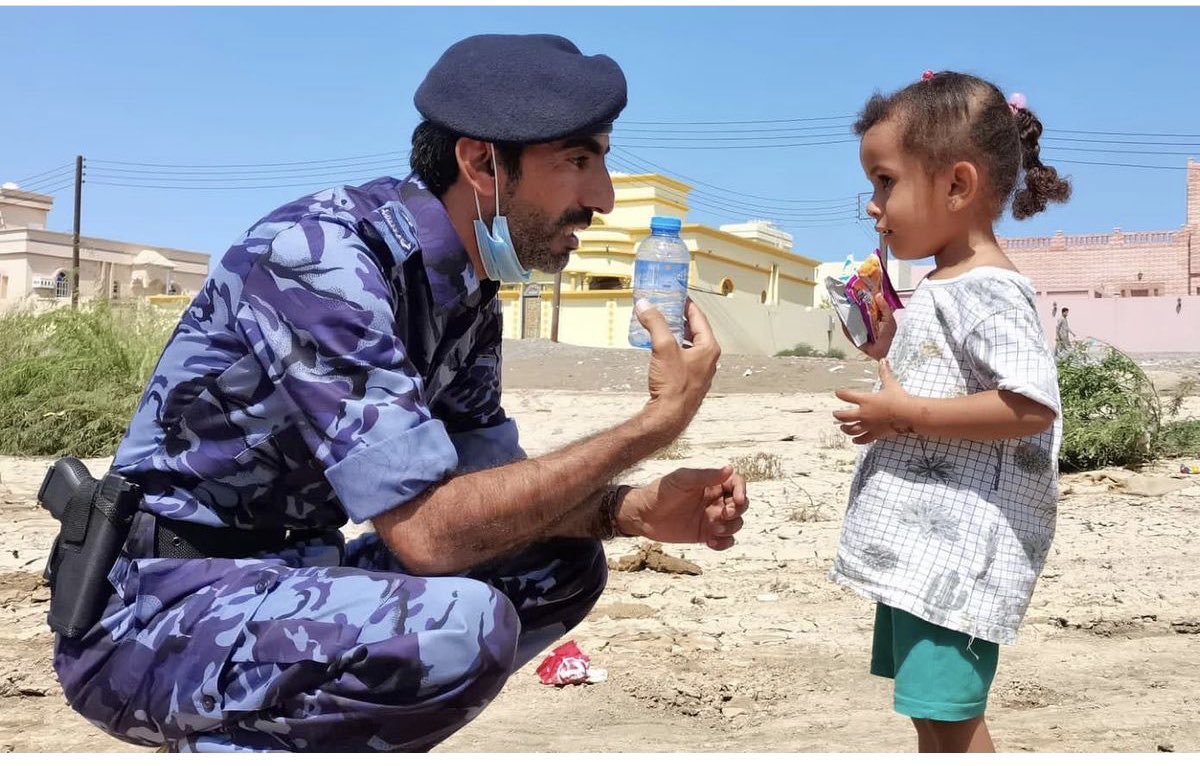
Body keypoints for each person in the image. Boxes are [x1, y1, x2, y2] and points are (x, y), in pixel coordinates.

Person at [49, 33, 748, 753]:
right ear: (481, 163)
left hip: (288, 580)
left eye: (601, 157)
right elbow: (430, 536)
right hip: (153, 615)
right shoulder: (321, 260)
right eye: (577, 159)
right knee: (460, 626)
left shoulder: (465, 294)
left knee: (560, 564)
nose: (601, 196)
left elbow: (485, 491)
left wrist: (628, 510)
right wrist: (656, 424)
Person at [828, 71, 1071, 752]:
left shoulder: (992, 291)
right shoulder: (945, 283)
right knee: (929, 713)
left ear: (957, 186)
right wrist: (885, 352)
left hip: (958, 558)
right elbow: (933, 382)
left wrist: (907, 414)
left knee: (954, 720)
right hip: (923, 551)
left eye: (885, 182)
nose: (873, 207)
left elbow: (1029, 406)